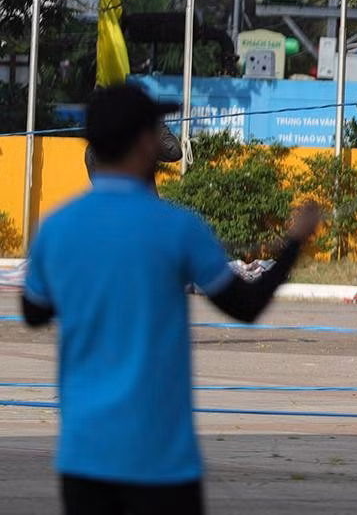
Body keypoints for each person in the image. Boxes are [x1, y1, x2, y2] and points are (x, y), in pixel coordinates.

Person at [22, 83, 321, 515]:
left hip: (85, 457)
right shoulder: (179, 229)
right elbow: (247, 305)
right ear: (144, 142)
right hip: (161, 461)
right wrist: (294, 242)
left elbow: (34, 313)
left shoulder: (58, 229)